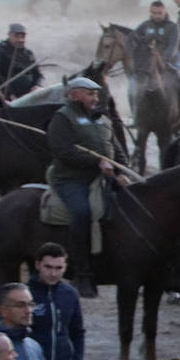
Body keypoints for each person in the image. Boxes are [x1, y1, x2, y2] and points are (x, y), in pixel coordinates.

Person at [46, 76, 130, 296]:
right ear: (75, 95)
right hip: (72, 179)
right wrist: (96, 162)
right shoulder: (63, 118)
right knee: (81, 211)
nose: (96, 98)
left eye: (96, 94)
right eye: (90, 94)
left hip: (105, 177)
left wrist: (121, 171)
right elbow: (62, 151)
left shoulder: (103, 119)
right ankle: (82, 274)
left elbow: (116, 149)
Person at [132, 1, 180, 119]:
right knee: (132, 85)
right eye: (154, 13)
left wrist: (163, 60)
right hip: (147, 64)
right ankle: (136, 116)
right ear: (151, 12)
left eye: (160, 13)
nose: (157, 15)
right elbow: (135, 39)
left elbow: (173, 47)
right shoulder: (145, 26)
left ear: (165, 12)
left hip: (170, 63)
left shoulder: (173, 27)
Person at [0, 23, 41, 100]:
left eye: (23, 36)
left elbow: (37, 73)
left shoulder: (28, 53)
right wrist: (9, 94)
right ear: (9, 35)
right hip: (6, 94)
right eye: (16, 36)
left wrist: (36, 85)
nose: (20, 40)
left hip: (29, 94)